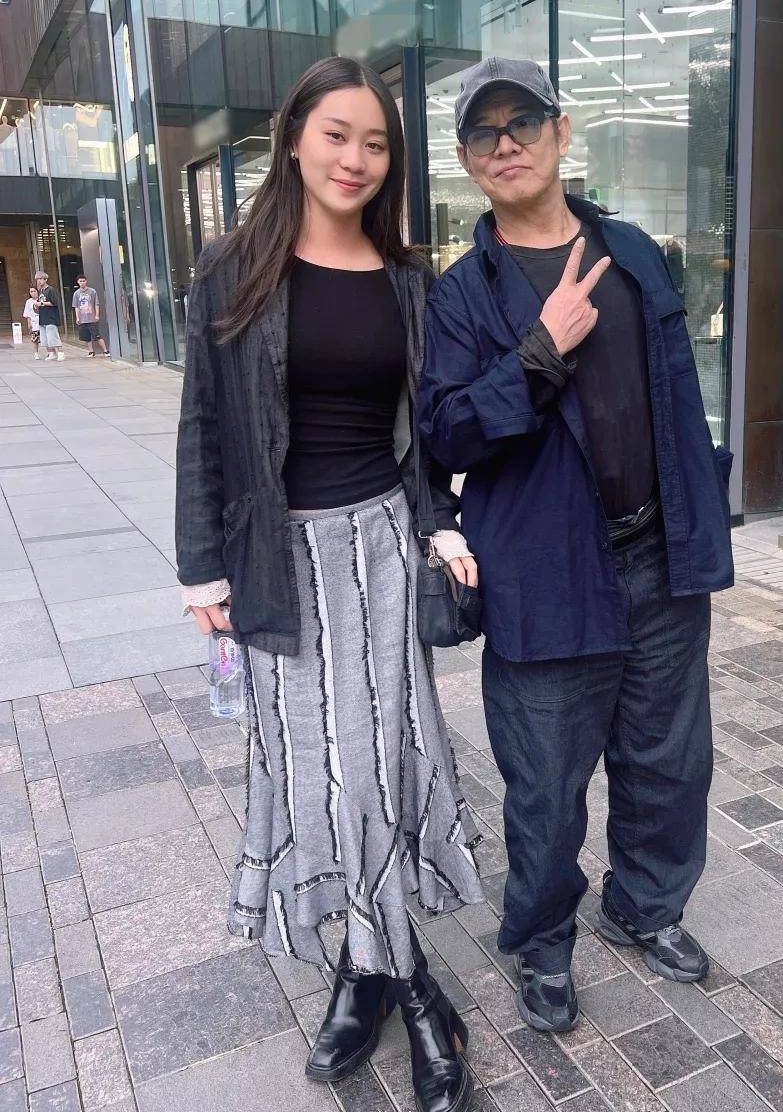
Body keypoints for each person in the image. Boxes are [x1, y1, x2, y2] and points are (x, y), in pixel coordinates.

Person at [175, 56, 482, 1112]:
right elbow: (203, 425)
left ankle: (375, 979)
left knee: (377, 774)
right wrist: (199, 566)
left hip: (383, 550)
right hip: (277, 559)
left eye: (377, 142)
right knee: (319, 780)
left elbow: (423, 435)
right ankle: (410, 987)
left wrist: (440, 525)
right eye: (337, 134)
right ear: (295, 136)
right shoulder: (233, 269)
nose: (356, 158)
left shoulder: (407, 280)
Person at [419, 58, 734, 1034]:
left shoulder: (634, 253)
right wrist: (539, 353)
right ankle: (544, 939)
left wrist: (701, 524)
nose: (505, 143)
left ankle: (645, 906)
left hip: (659, 557)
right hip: (545, 573)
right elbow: (446, 434)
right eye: (484, 133)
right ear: (468, 161)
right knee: (547, 785)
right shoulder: (463, 294)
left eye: (523, 122)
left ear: (562, 132)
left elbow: (676, 396)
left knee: (668, 762)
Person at [71, 276, 110, 357]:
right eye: (80, 281)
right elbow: (76, 307)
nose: (82, 283)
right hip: (82, 319)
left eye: (83, 281)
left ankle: (105, 351)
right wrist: (77, 317)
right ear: (78, 282)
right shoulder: (76, 293)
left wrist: (97, 315)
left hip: (92, 318)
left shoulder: (92, 291)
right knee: (86, 337)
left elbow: (96, 304)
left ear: (86, 281)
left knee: (97, 335)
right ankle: (91, 351)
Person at [33, 272, 64, 361]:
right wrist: (37, 305)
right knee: (45, 338)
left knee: (53, 336)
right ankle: (51, 353)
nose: (39, 281)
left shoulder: (50, 290)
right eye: (37, 279)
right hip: (43, 317)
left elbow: (54, 302)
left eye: (40, 279)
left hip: (51, 317)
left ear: (45, 279)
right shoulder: (40, 291)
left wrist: (41, 303)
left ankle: (60, 353)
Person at [22, 286, 41, 359]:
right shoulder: (29, 301)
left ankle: (50, 352)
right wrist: (29, 323)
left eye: (34, 291)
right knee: (35, 339)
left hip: (43, 321)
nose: (33, 293)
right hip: (34, 323)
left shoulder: (41, 299)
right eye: (31, 291)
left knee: (45, 338)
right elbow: (27, 313)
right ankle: (36, 353)